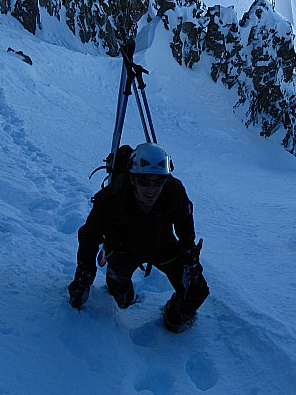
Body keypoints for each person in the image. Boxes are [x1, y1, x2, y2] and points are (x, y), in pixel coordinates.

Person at [68, 142, 210, 332]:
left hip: (162, 246)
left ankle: (173, 316)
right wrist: (83, 279)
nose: (151, 190)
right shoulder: (112, 198)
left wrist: (190, 260)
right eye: (144, 181)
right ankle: (116, 281)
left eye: (158, 182)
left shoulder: (173, 192)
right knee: (122, 298)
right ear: (133, 179)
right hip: (123, 249)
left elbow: (185, 226)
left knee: (196, 290)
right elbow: (89, 237)